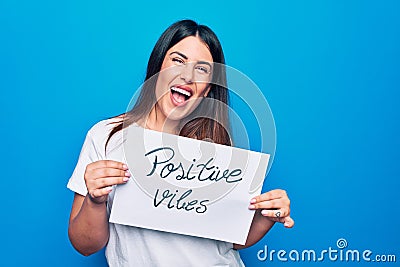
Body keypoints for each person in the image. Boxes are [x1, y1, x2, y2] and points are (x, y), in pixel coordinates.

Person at [67, 19, 294, 267]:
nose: (187, 75)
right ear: (158, 68)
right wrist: (95, 200)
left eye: (202, 69)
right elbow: (85, 245)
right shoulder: (106, 137)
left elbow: (230, 241)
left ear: (207, 89)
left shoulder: (219, 150)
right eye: (178, 60)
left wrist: (266, 216)